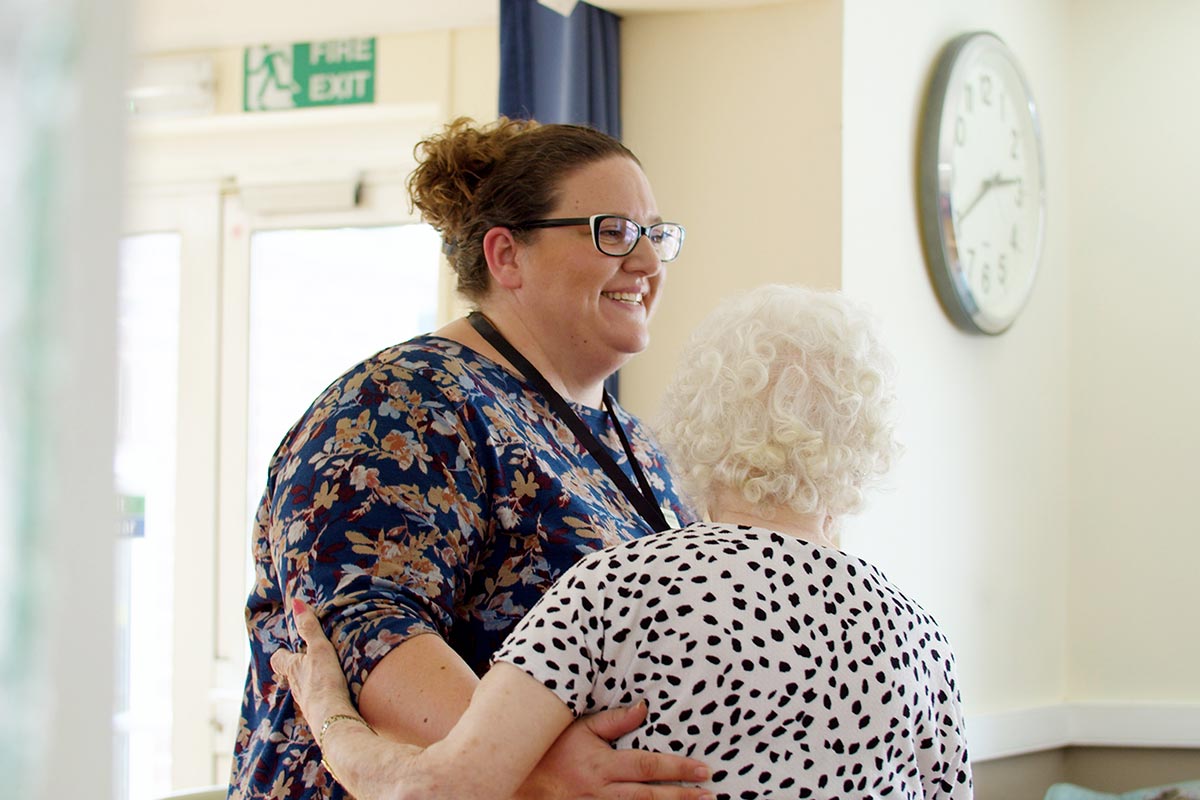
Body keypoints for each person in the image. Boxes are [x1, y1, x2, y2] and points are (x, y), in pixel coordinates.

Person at [271, 285, 974, 800]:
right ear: (866, 450)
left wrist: (330, 717)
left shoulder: (613, 589)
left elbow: (442, 791)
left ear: (693, 424)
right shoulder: (919, 640)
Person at [227, 116, 710, 800]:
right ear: (506, 256)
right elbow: (364, 631)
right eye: (614, 232)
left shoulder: (642, 447)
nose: (647, 264)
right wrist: (536, 764)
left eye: (655, 236)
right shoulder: (403, 401)